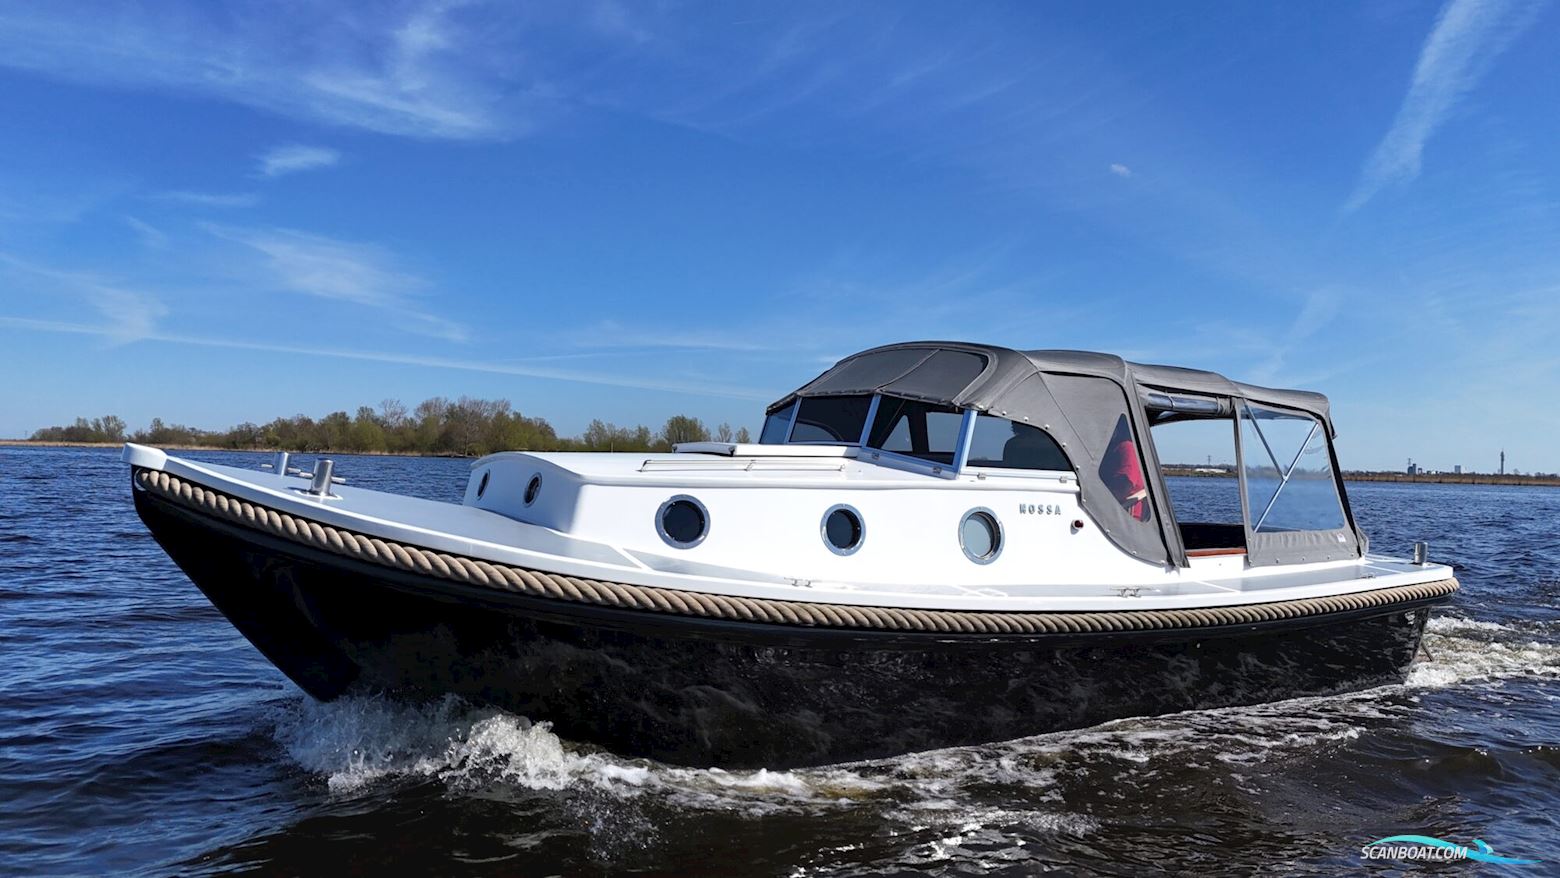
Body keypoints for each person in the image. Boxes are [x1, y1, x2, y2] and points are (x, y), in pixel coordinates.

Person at [1100, 416, 1151, 522]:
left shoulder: (1126, 448)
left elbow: (1125, 483)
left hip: (1125, 517)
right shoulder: (1114, 448)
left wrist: (1100, 504)